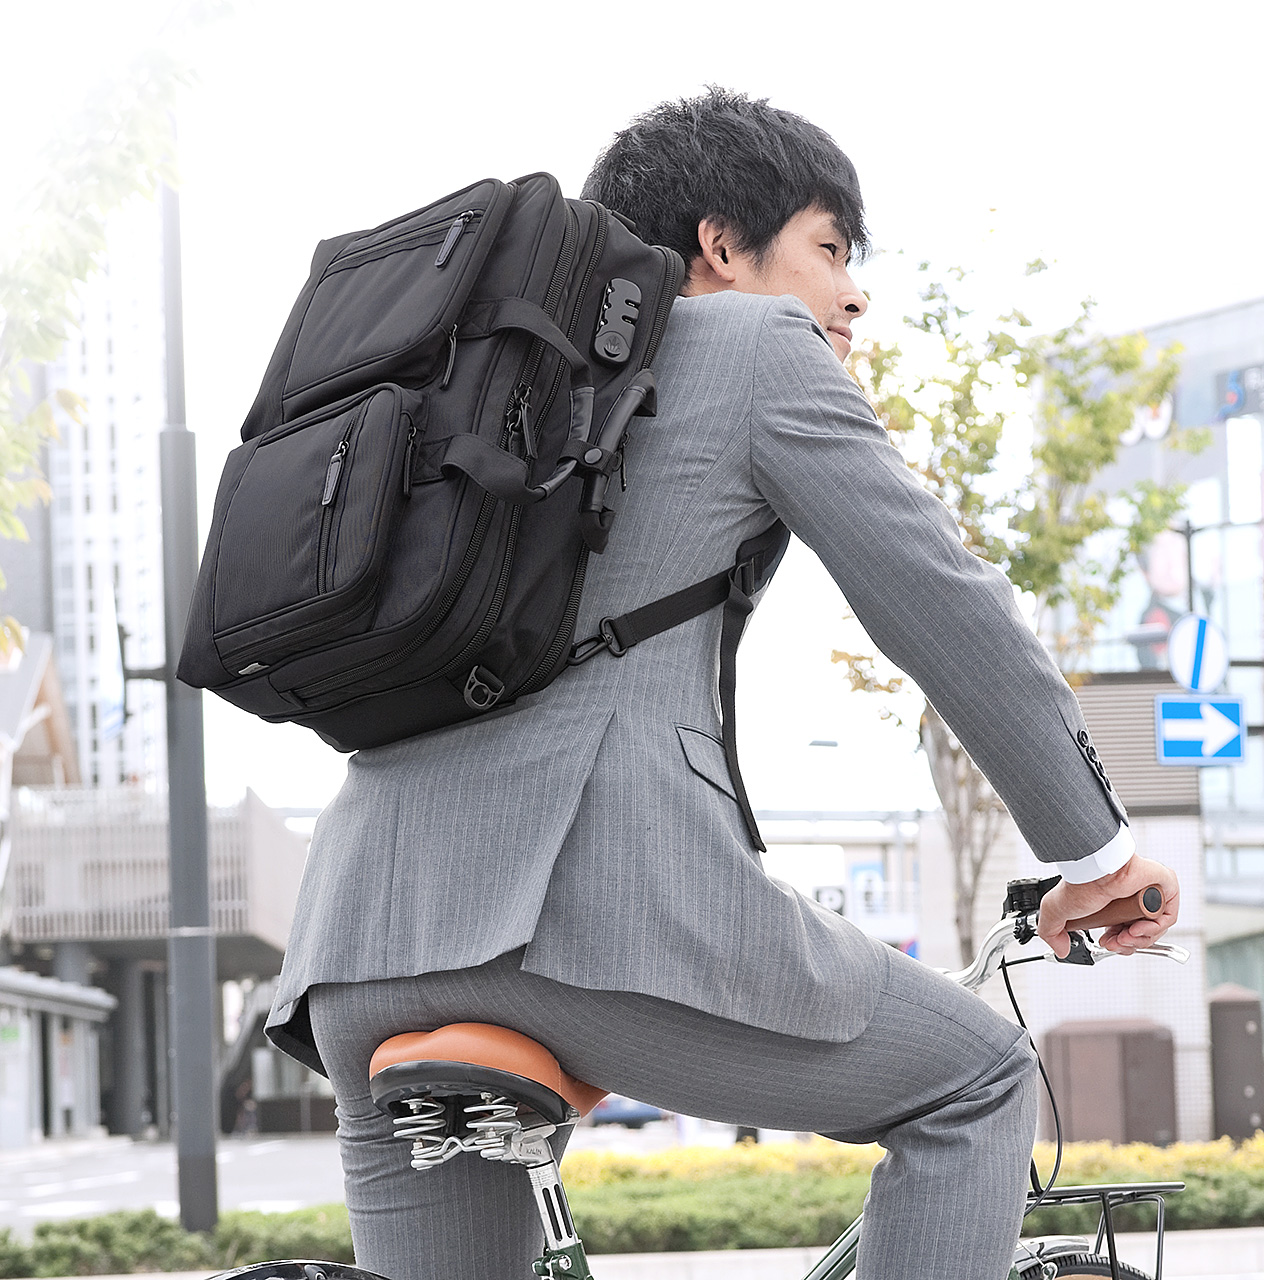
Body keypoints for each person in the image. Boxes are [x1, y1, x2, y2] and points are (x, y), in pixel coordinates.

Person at [265, 88, 1180, 1280]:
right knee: (973, 1079)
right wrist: (1095, 852)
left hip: (360, 942)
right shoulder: (751, 346)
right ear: (719, 247)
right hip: (587, 919)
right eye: (829, 248)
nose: (852, 292)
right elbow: (942, 601)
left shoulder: (475, 397)